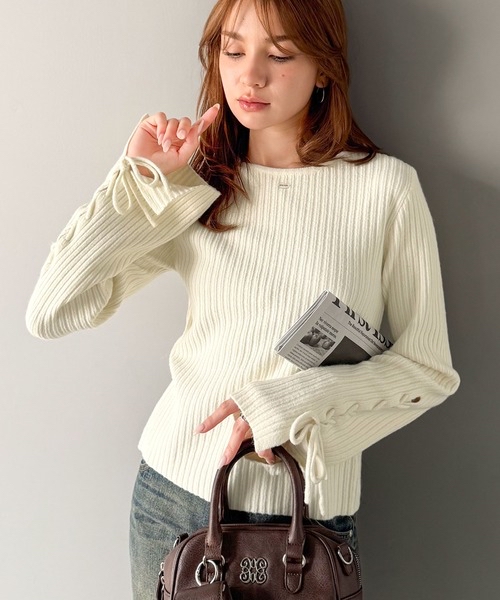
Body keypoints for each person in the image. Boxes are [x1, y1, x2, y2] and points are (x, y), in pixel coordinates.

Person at [26, 0, 460, 598]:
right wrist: (139, 180)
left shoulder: (385, 188)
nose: (249, 75)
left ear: (324, 68)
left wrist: (286, 402)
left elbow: (428, 370)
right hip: (176, 501)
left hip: (310, 520)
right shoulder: (196, 183)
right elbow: (52, 310)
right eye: (233, 50)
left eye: (278, 55)